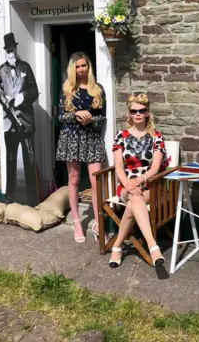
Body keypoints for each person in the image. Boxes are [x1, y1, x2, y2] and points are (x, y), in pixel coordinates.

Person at [108, 93, 168, 269]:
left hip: (149, 184)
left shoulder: (157, 136)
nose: (138, 114)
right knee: (134, 197)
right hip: (126, 185)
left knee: (134, 202)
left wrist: (140, 180)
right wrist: (128, 183)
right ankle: (152, 246)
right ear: (129, 114)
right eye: (134, 111)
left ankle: (117, 245)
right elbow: (119, 166)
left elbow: (155, 168)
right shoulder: (121, 135)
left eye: (142, 110)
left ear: (148, 112)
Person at [56, 52, 107, 243]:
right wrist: (78, 114)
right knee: (75, 179)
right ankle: (77, 222)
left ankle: (98, 222)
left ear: (88, 67)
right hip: (72, 138)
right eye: (77, 66)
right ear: (73, 69)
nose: (81, 69)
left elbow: (103, 118)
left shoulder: (98, 89)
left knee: (96, 181)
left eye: (84, 65)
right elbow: (60, 117)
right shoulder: (67, 88)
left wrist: (91, 119)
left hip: (92, 137)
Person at [0, 32, 40, 205]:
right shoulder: (2, 69)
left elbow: (34, 91)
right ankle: (10, 197)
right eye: (8, 51)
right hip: (9, 123)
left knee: (29, 159)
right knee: (10, 160)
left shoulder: (25, 68)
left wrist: (22, 97)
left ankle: (33, 199)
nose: (10, 54)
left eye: (12, 50)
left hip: (25, 122)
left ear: (16, 49)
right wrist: (4, 99)